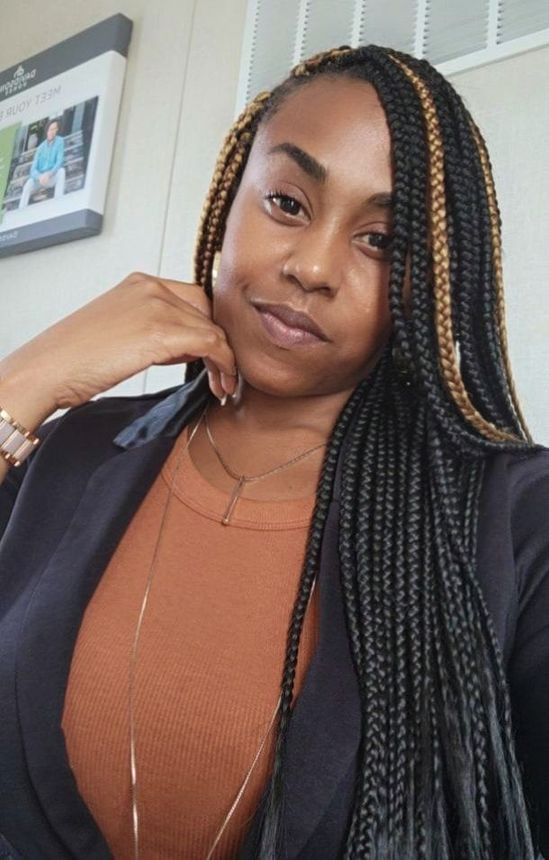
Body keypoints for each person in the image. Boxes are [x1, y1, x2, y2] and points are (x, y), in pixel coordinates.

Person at [0, 43, 548, 860]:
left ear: (431, 280)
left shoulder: (515, 515)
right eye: (287, 204)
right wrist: (23, 378)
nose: (313, 266)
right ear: (228, 203)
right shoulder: (74, 445)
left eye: (382, 242)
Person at [18, 117, 66, 209]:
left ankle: (58, 205)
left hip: (52, 176)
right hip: (40, 179)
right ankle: (21, 210)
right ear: (47, 130)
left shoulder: (60, 141)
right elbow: (33, 170)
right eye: (51, 129)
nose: (52, 131)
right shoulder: (40, 148)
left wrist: (50, 173)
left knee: (61, 172)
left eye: (55, 129)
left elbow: (59, 161)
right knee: (28, 184)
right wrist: (40, 176)